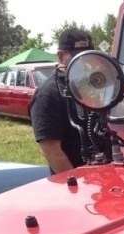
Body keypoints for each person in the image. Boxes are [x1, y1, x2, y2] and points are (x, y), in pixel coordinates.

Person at [28, 28, 94, 174]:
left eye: (87, 56)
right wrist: (77, 183)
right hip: (78, 182)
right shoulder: (48, 94)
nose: (84, 62)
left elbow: (119, 113)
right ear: (61, 56)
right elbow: (50, 150)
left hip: (101, 177)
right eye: (77, 57)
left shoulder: (90, 85)